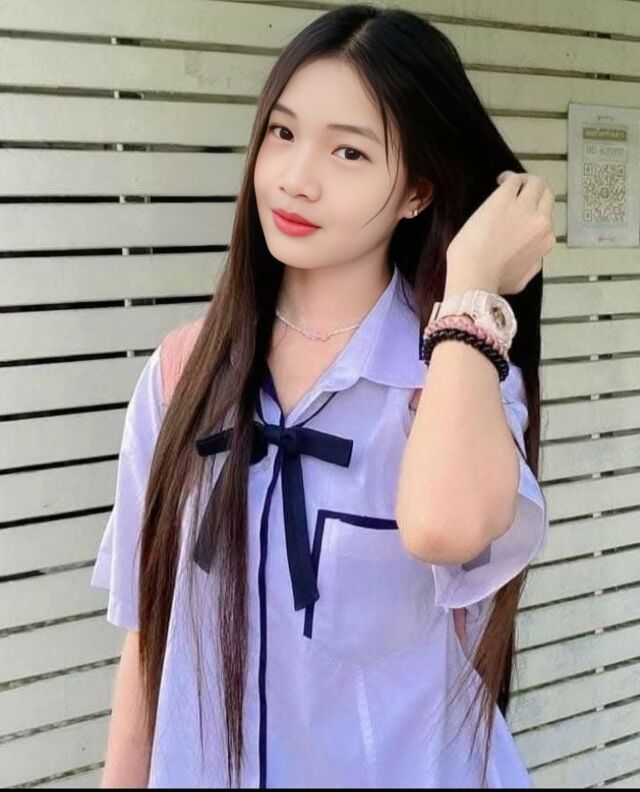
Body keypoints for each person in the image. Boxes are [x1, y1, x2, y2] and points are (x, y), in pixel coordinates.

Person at [90, 3, 555, 788]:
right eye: (282, 132)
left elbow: (445, 527)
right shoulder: (182, 375)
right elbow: (148, 640)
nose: (296, 178)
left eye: (348, 151)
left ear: (416, 192)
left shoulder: (453, 378)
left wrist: (473, 283)